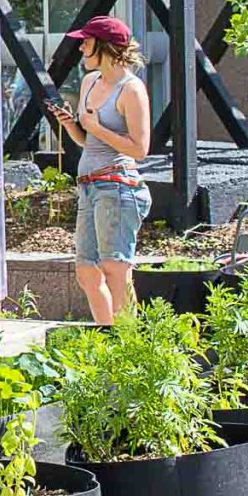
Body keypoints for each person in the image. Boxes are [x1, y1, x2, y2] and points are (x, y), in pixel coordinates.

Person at [49, 16, 152, 326]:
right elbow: (88, 140)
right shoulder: (89, 82)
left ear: (104, 46)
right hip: (89, 186)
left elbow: (139, 149)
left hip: (118, 187)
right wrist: (73, 126)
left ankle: (130, 347)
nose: (81, 47)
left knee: (115, 270)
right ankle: (107, 339)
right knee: (86, 271)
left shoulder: (131, 90)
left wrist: (95, 126)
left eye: (86, 41)